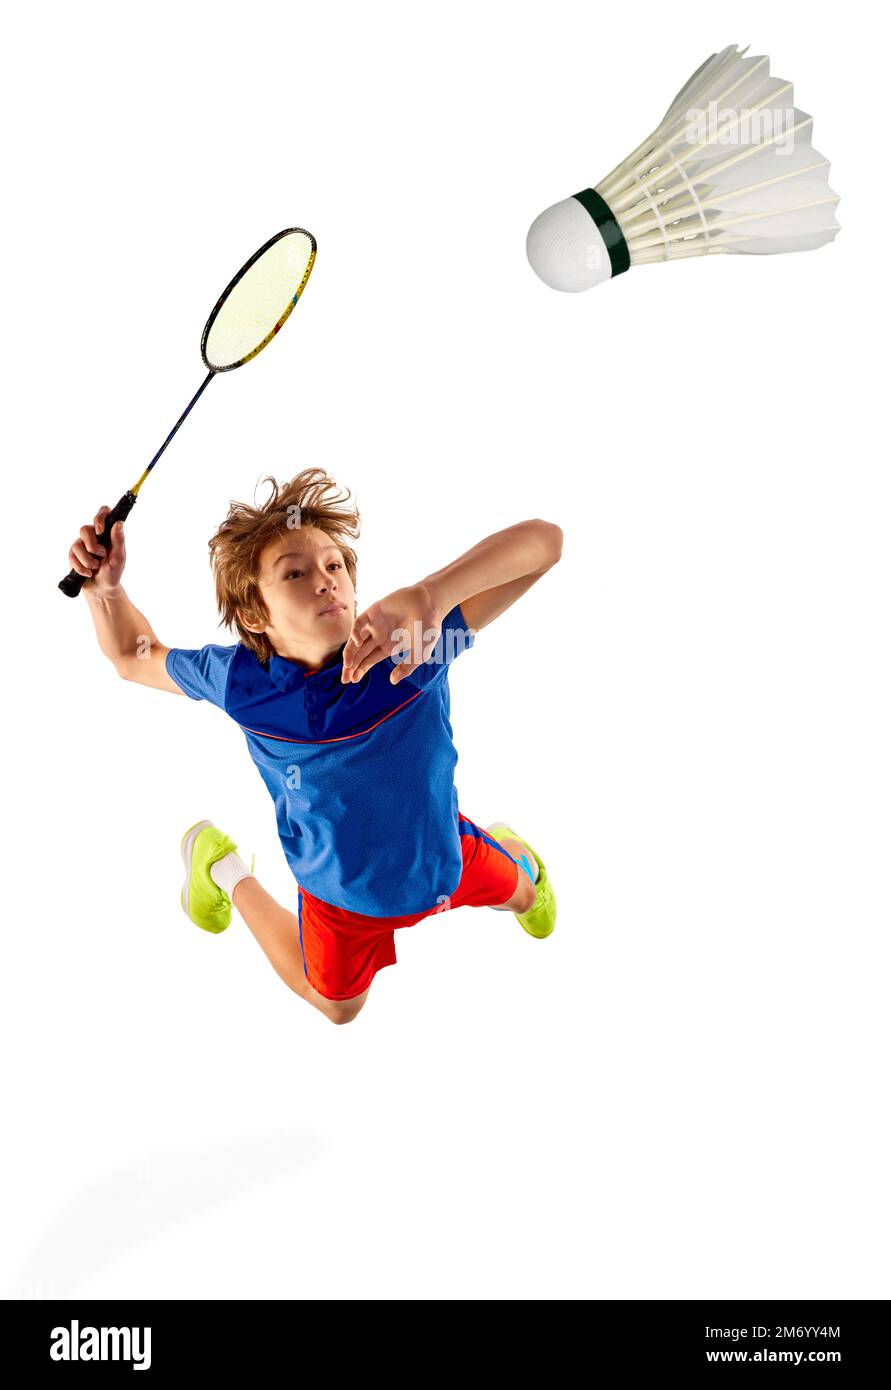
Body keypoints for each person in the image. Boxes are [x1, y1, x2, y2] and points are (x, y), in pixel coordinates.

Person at [67, 468, 561, 1024]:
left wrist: (434, 591)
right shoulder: (239, 682)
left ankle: (512, 852)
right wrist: (104, 591)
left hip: (446, 857)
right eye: (295, 573)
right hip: (337, 894)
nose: (326, 580)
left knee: (522, 892)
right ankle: (222, 866)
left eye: (334, 566)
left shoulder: (415, 645)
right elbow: (134, 658)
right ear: (255, 614)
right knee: (336, 1007)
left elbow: (546, 543)